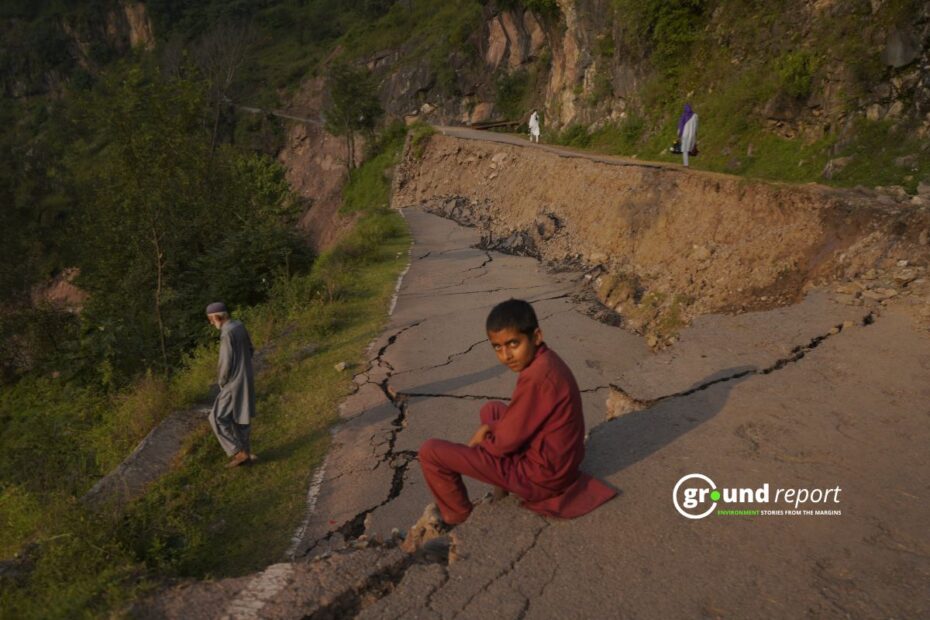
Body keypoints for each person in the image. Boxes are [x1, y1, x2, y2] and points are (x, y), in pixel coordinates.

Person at [418, 299, 616, 528]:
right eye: (498, 347)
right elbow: (515, 425)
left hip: (542, 479)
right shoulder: (546, 361)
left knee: (430, 451)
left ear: (536, 336)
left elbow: (504, 443)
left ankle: (459, 519)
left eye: (513, 344)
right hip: (557, 465)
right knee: (491, 409)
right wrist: (490, 429)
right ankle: (500, 489)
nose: (506, 355)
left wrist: (480, 446)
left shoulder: (537, 377)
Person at [206, 302, 256, 468]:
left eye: (211, 319)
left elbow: (225, 362)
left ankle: (238, 452)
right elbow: (250, 349)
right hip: (246, 377)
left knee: (216, 417)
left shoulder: (226, 333)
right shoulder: (239, 325)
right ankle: (246, 453)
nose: (211, 323)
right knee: (241, 416)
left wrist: (221, 381)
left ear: (216, 316)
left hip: (233, 381)